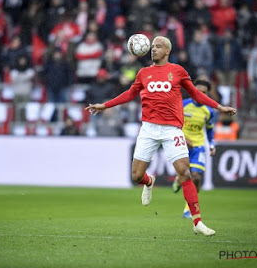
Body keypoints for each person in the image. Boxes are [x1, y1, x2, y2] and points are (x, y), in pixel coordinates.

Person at [86, 36, 237, 236]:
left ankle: (197, 221)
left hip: (171, 130)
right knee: (136, 176)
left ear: (167, 51)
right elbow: (129, 94)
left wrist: (219, 107)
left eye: (158, 46)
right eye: (152, 47)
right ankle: (149, 182)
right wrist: (104, 105)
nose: (153, 49)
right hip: (148, 129)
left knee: (185, 173)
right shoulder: (143, 73)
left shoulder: (178, 71)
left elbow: (196, 94)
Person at [171, 79, 216, 219]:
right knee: (185, 174)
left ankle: (188, 208)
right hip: (181, 144)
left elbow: (209, 130)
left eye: (204, 93)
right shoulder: (183, 105)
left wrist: (212, 145)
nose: (200, 94)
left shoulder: (208, 111)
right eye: (198, 91)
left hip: (198, 147)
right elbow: (172, 124)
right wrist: (184, 138)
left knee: (195, 176)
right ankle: (178, 179)